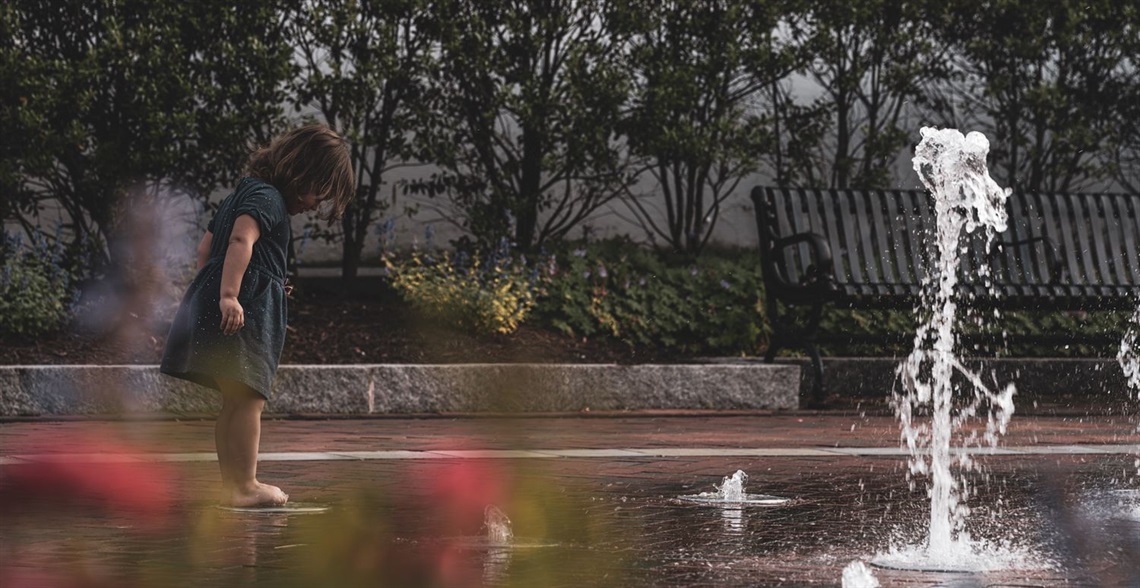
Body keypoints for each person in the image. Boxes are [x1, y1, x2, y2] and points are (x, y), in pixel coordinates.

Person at [161, 124, 355, 507]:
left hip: (222, 306)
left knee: (233, 400)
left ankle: (230, 485)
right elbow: (240, 240)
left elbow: (206, 250)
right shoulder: (268, 199)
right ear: (302, 173)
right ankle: (246, 484)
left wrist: (258, 282)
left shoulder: (242, 194)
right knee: (249, 399)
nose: (317, 204)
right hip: (241, 315)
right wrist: (232, 295)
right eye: (319, 192)